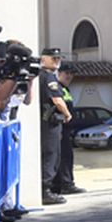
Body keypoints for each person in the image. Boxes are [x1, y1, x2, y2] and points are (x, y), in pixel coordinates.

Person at [39, 47, 71, 205]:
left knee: (53, 155)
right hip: (49, 122)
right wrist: (67, 113)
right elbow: (57, 100)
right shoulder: (48, 77)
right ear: (44, 59)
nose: (57, 61)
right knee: (51, 155)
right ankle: (45, 190)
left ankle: (50, 188)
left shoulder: (43, 75)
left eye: (58, 58)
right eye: (53, 58)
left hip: (49, 122)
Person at [52, 64, 84, 195]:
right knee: (64, 158)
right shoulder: (57, 87)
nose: (69, 76)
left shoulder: (65, 89)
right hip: (60, 128)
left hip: (66, 130)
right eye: (67, 73)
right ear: (59, 73)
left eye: (72, 73)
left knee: (67, 157)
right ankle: (65, 184)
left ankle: (66, 183)